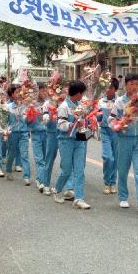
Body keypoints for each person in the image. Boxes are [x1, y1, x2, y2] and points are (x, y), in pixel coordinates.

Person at [114, 73, 138, 213]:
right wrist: (120, 124)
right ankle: (123, 197)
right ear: (126, 85)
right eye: (131, 84)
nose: (134, 87)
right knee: (123, 170)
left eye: (137, 84)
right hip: (124, 139)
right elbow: (111, 120)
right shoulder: (119, 102)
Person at [53, 81, 90, 209]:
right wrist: (73, 124)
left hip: (79, 140)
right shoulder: (64, 106)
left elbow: (84, 120)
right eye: (82, 93)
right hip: (66, 141)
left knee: (80, 170)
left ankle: (79, 199)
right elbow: (61, 125)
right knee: (67, 170)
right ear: (78, 93)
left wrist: (84, 124)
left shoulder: (81, 105)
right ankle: (57, 189)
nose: (83, 95)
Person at [4, 85, 30, 183]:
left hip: (23, 132)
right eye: (16, 92)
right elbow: (4, 121)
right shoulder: (8, 107)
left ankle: (26, 176)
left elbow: (26, 120)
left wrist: (29, 114)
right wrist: (5, 131)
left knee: (24, 154)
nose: (18, 94)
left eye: (19, 92)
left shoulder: (25, 106)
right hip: (12, 133)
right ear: (11, 95)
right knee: (12, 153)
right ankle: (8, 170)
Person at [99, 78, 119, 195]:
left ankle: (112, 183)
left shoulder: (120, 101)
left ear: (115, 89)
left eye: (110, 88)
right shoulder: (101, 101)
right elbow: (96, 114)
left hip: (116, 132)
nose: (107, 90)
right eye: (106, 87)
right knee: (108, 157)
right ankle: (106, 182)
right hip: (105, 131)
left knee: (115, 158)